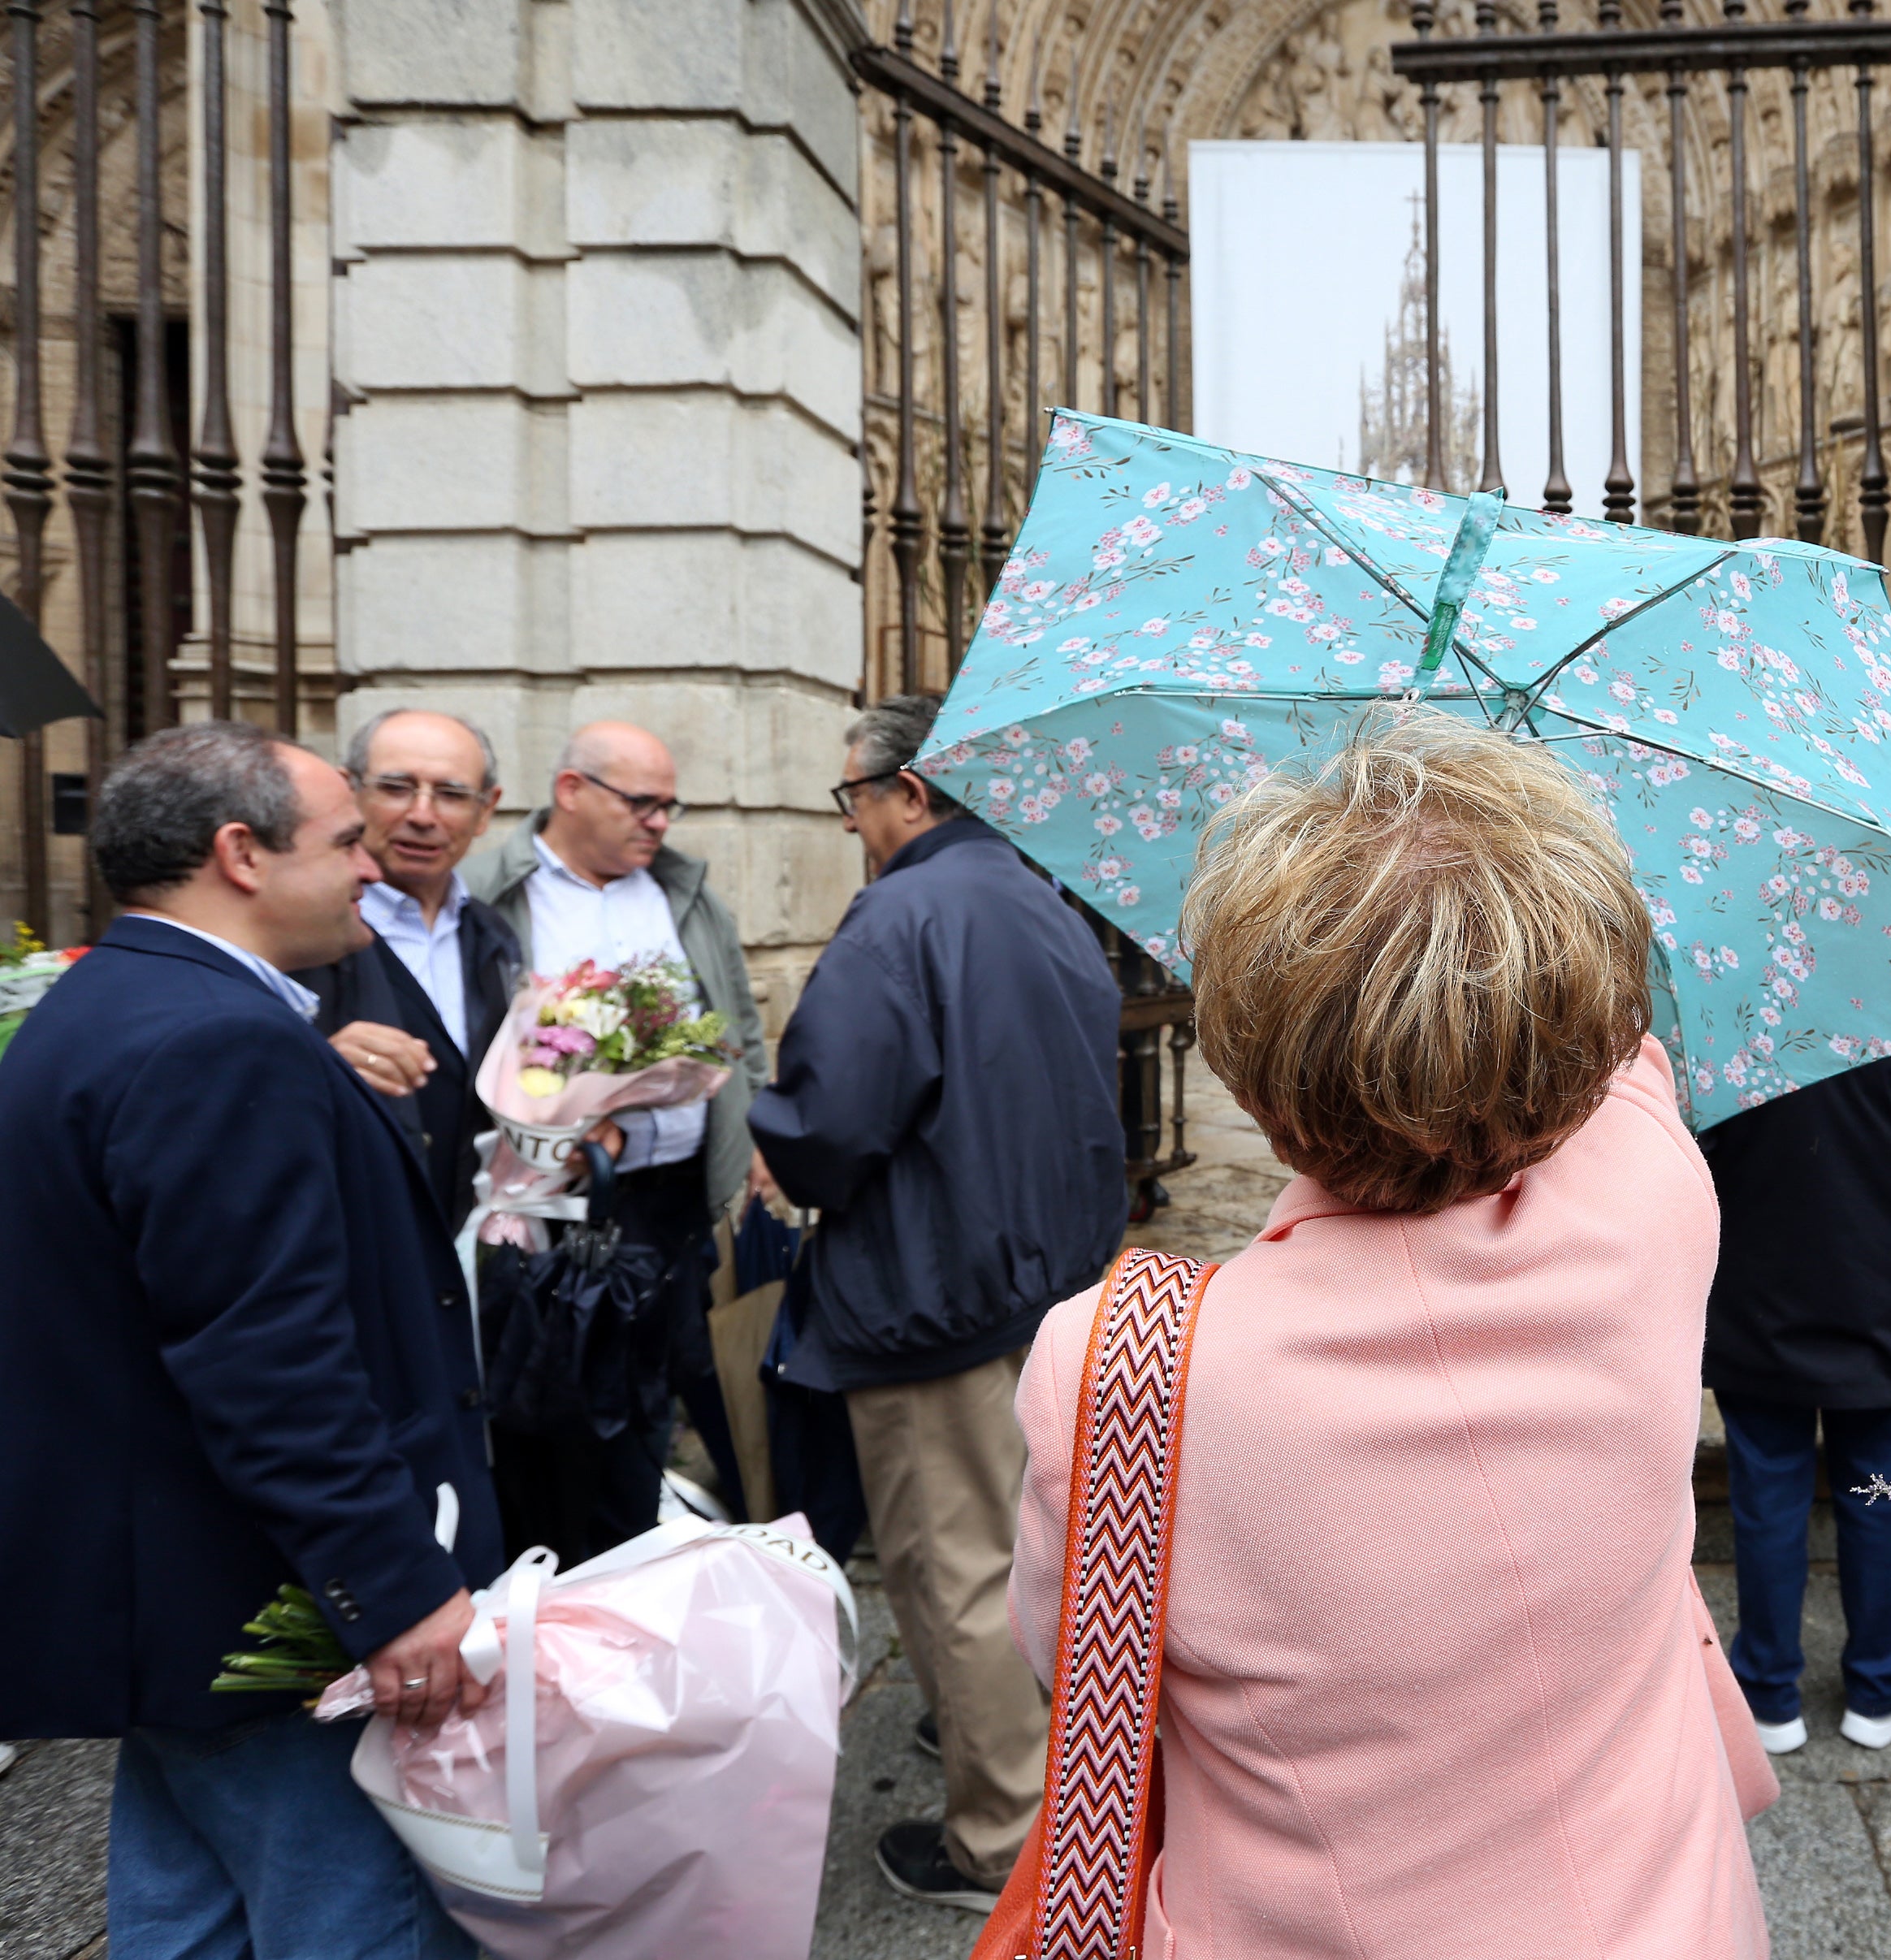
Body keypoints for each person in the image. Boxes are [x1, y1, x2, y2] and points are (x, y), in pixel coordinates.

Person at [1011, 712, 1772, 1954]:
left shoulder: (1116, 1366)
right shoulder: (1653, 1197)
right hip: (1667, 1915)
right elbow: (1622, 1056)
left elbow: (1073, 1668)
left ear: (1245, 1054)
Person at [0, 722, 503, 1958]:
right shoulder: (216, 1040)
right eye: (345, 841)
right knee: (351, 1915)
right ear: (240, 853)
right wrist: (390, 1594)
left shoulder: (109, 1000)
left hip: (165, 1603)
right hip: (253, 1602)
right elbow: (268, 1359)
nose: (373, 867)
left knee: (185, 1915)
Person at [747, 693, 1127, 1911]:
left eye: (851, 798)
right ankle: (1043, 1773)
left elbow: (829, 1118)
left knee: (954, 1568)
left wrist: (780, 1150)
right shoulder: (1038, 899)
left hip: (933, 1292)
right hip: (1040, 1286)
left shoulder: (901, 911)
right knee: (1031, 1552)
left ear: (908, 792)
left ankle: (1005, 1846)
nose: (852, 821)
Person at [466, 720, 769, 1558]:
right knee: (556, 1406)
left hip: (671, 1199)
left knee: (655, 1393)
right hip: (549, 1205)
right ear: (571, 790)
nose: (659, 822)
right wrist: (548, 1120)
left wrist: (753, 1133)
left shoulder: (684, 893)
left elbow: (738, 1020)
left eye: (669, 805)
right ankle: (557, 1572)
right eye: (642, 802)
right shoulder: (494, 892)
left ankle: (641, 1555)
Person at [1699, 1038, 1891, 1757]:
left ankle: (1767, 1694)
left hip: (1761, 1299)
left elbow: (1693, 1149)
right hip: (1879, 1299)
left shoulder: (1734, 1028)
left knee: (1766, 1498)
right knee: (1880, 1496)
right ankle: (1878, 1686)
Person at [295, 706, 525, 1227]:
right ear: (348, 791)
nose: (423, 815)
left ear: (486, 810)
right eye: (396, 787)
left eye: (450, 794)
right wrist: (315, 1067)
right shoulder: (296, 936)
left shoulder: (493, 937)